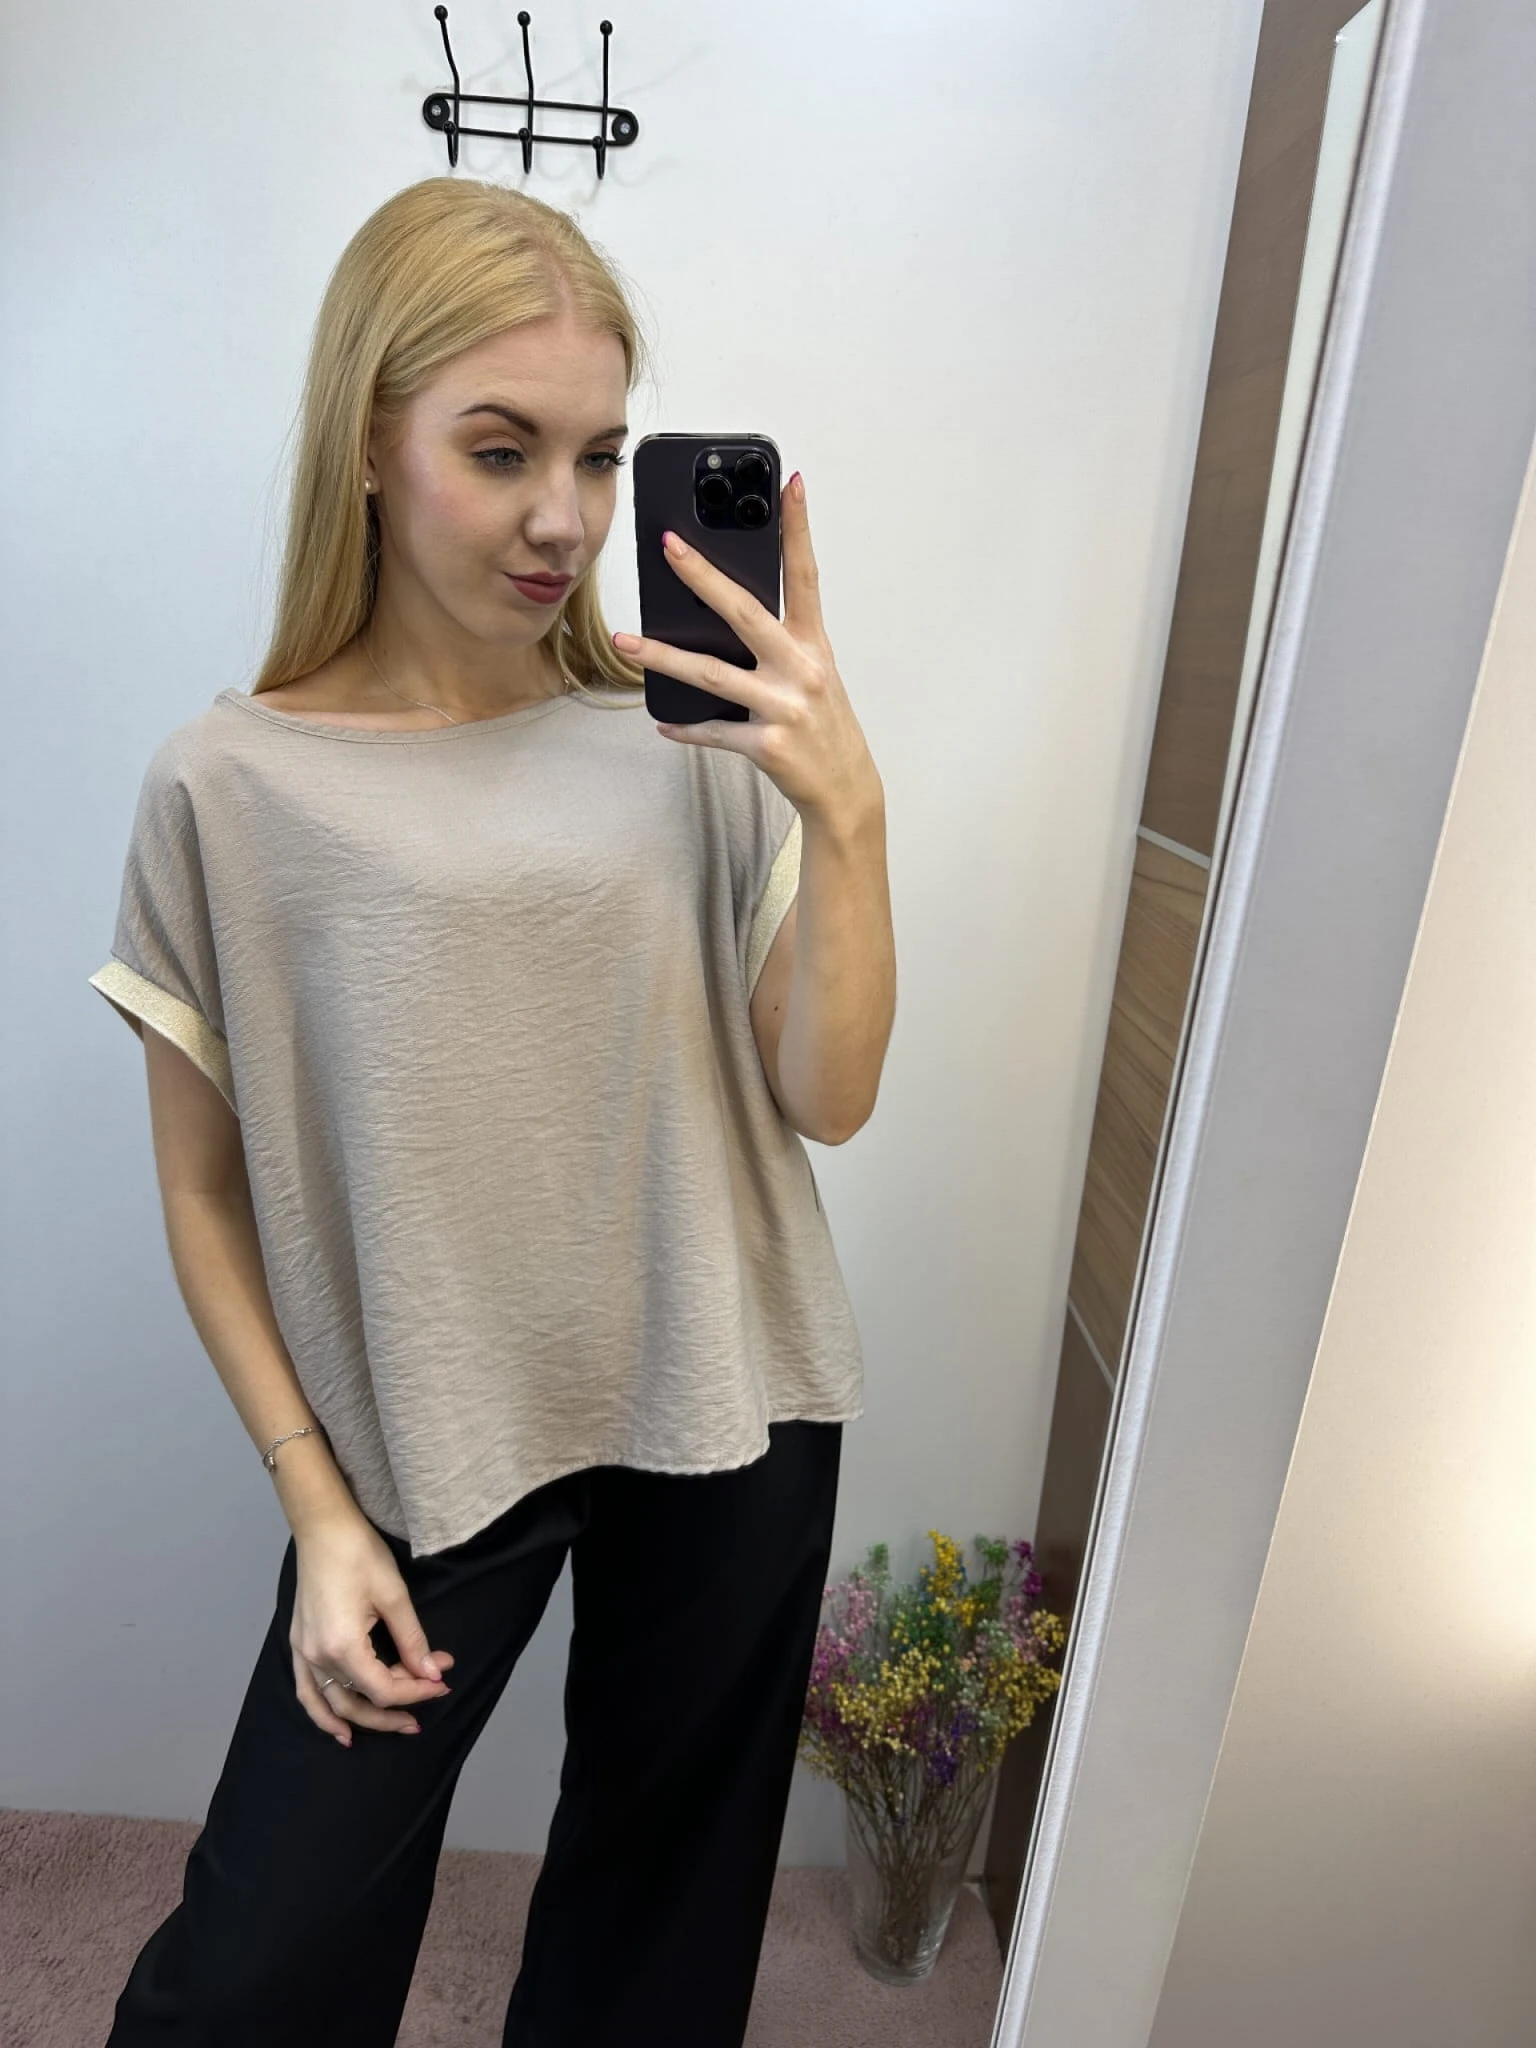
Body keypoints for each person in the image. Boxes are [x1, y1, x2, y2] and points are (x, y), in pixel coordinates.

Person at [87, 175, 896, 2046]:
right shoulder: (227, 786)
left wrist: (847, 809)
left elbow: (829, 1099)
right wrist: (318, 1510)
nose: (566, 518)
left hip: (732, 1392)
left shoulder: (685, 736)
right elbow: (204, 1194)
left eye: (600, 456)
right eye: (501, 448)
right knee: (257, 1970)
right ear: (370, 447)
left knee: (657, 1943)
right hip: (423, 1436)